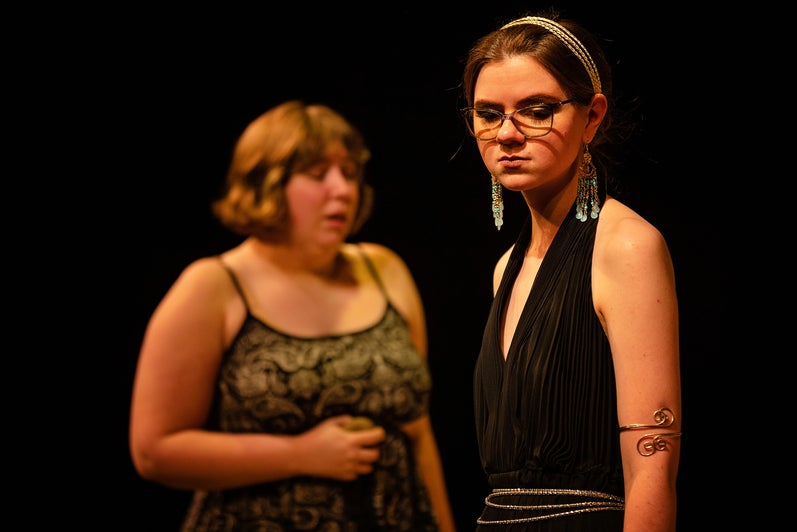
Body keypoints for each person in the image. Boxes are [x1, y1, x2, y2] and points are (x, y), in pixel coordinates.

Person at [129, 100, 456, 531]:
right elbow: (155, 451)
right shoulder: (215, 286)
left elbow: (418, 429)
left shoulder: (384, 270)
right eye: (318, 175)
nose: (341, 189)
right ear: (266, 183)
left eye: (350, 173)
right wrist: (300, 454)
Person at [458, 11, 682, 531]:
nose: (507, 134)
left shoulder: (625, 246)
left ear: (593, 116)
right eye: (488, 113)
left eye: (536, 110)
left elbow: (653, 464)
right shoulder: (505, 268)